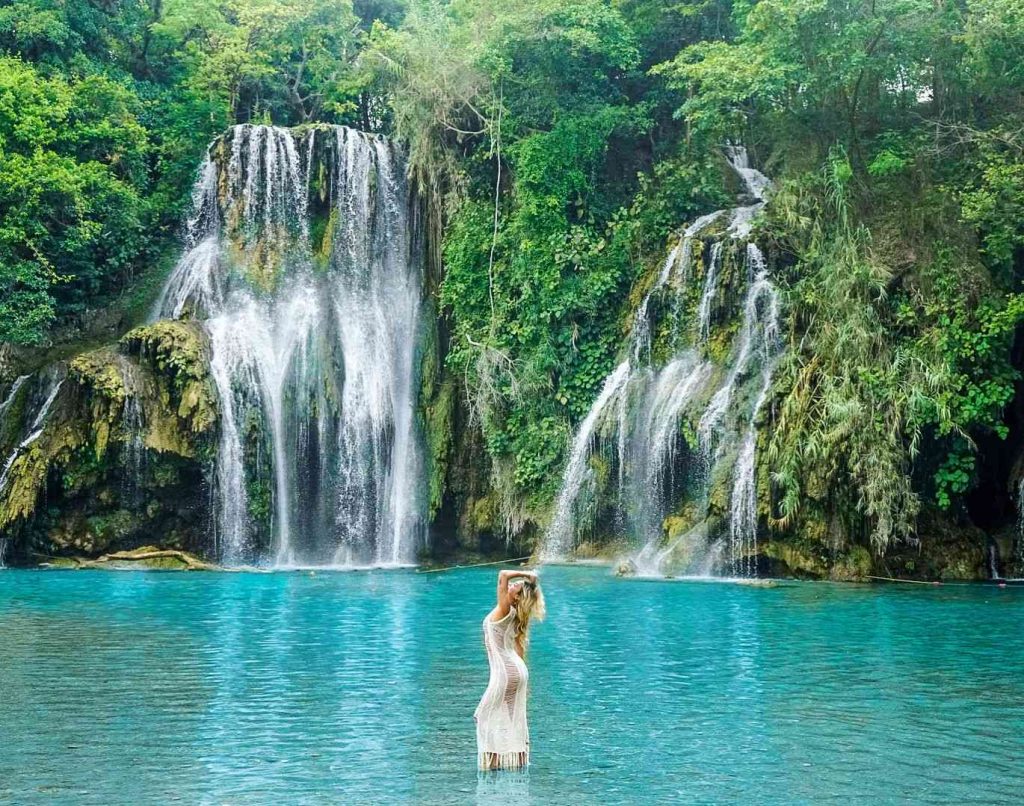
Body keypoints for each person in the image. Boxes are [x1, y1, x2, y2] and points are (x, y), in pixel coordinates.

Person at [473, 568, 546, 771]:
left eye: (517, 587)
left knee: (484, 716)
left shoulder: (505, 608)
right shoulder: (517, 614)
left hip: (505, 672)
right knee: (511, 717)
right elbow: (519, 649)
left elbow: (502, 574)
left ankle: (492, 766)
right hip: (517, 670)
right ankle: (517, 761)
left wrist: (527, 575)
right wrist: (524, 681)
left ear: (516, 597)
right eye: (515, 583)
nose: (512, 585)